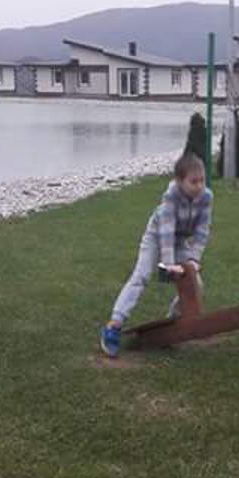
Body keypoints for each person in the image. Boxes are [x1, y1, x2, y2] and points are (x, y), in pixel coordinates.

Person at [100, 152, 213, 357]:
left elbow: (202, 232)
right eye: (193, 181)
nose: (199, 186)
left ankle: (173, 321)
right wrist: (169, 264)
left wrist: (193, 259)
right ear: (179, 181)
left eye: (202, 180)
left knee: (196, 283)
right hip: (156, 236)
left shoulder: (206, 198)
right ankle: (113, 325)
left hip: (179, 241)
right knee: (141, 276)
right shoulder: (170, 198)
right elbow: (166, 232)